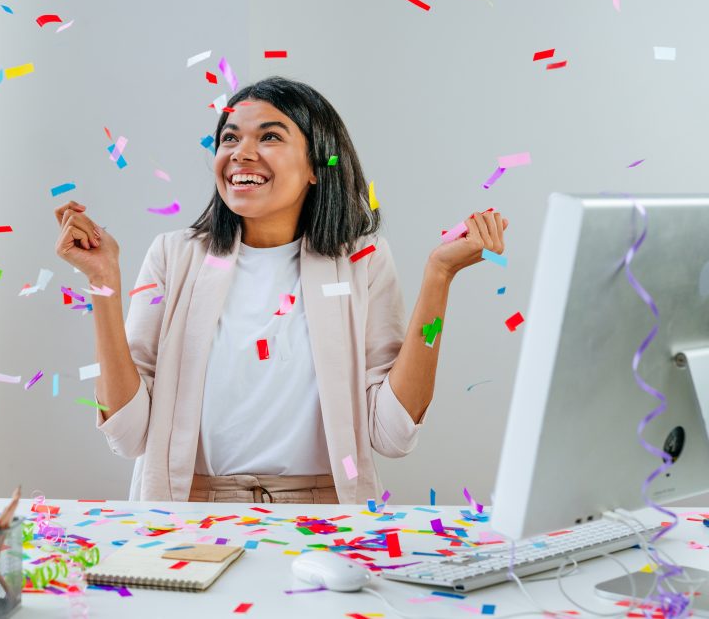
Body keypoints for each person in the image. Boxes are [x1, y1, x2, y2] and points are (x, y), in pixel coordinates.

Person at [53, 76, 508, 504]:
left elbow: (392, 433)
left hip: (325, 512)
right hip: (190, 510)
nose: (241, 153)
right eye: (230, 138)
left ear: (317, 165)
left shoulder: (362, 260)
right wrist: (102, 282)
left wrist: (439, 277)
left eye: (269, 137)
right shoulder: (174, 256)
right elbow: (127, 434)